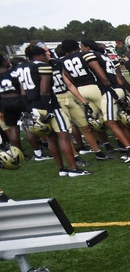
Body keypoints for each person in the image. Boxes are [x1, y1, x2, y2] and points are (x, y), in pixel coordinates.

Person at [56, 38, 130, 162]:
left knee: (97, 122)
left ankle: (110, 146)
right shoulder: (88, 55)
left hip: (80, 91)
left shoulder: (61, 61)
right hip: (97, 87)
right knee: (115, 120)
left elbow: (68, 79)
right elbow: (98, 72)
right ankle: (128, 147)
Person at [24, 44, 84, 176]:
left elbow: (23, 92)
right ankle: (74, 169)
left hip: (34, 106)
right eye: (44, 54)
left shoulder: (22, 68)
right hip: (49, 106)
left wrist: (30, 109)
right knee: (64, 136)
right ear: (38, 56)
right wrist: (51, 109)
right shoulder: (43, 66)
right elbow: (45, 91)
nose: (47, 56)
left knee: (51, 138)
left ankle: (62, 169)